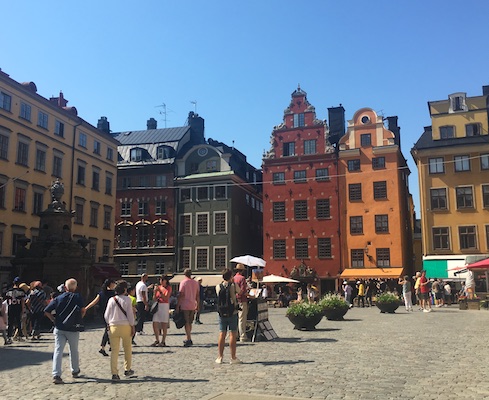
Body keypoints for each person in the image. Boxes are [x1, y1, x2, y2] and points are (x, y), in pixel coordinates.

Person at [44, 278, 86, 384]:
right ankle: (75, 370)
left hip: (59, 327)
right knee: (74, 350)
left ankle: (56, 374)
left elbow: (47, 310)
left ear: (65, 287)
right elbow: (83, 310)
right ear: (75, 287)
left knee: (58, 351)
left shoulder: (59, 298)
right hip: (73, 328)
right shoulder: (78, 297)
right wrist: (79, 319)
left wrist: (53, 320)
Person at [104, 280, 135, 381]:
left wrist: (109, 324)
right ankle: (127, 369)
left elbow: (106, 315)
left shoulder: (111, 300)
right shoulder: (127, 300)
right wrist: (133, 326)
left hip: (113, 327)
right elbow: (130, 315)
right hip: (125, 326)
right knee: (127, 349)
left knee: (114, 351)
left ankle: (114, 373)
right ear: (125, 289)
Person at [215, 268, 241, 364]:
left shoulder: (218, 286)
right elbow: (240, 291)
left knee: (222, 333)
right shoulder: (233, 285)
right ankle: (233, 357)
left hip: (222, 313)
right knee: (232, 334)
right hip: (232, 312)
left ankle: (220, 357)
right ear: (231, 276)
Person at [84, 278, 116, 356]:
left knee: (109, 330)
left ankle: (111, 345)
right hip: (111, 314)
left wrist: (86, 308)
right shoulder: (113, 293)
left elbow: (94, 302)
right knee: (108, 330)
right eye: (113, 283)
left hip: (103, 314)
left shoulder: (101, 293)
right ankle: (102, 347)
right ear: (111, 284)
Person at [176, 268, 200, 347]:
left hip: (185, 305)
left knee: (186, 322)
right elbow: (197, 295)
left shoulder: (183, 282)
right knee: (190, 322)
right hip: (192, 305)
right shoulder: (195, 283)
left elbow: (181, 295)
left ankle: (188, 338)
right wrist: (198, 305)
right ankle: (188, 336)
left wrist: (178, 305)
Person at [151, 275, 171, 347]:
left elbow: (166, 297)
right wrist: (154, 292)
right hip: (158, 305)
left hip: (164, 306)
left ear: (166, 280)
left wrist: (160, 291)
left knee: (164, 324)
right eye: (160, 280)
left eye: (162, 280)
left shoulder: (168, 288)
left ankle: (163, 341)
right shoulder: (158, 287)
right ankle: (157, 339)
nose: (161, 281)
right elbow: (154, 298)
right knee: (155, 323)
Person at [5, 277, 26, 342]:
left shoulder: (8, 291)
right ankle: (19, 336)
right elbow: (22, 301)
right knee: (18, 322)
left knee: (10, 323)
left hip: (11, 308)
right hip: (18, 308)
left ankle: (9, 337)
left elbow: (7, 301)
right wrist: (23, 310)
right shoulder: (21, 291)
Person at [233, 264, 249, 342]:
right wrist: (250, 295)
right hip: (242, 300)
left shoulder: (233, 278)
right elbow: (243, 291)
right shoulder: (242, 278)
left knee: (235, 318)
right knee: (242, 319)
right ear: (242, 271)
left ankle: (235, 335)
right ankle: (242, 336)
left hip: (234, 301)